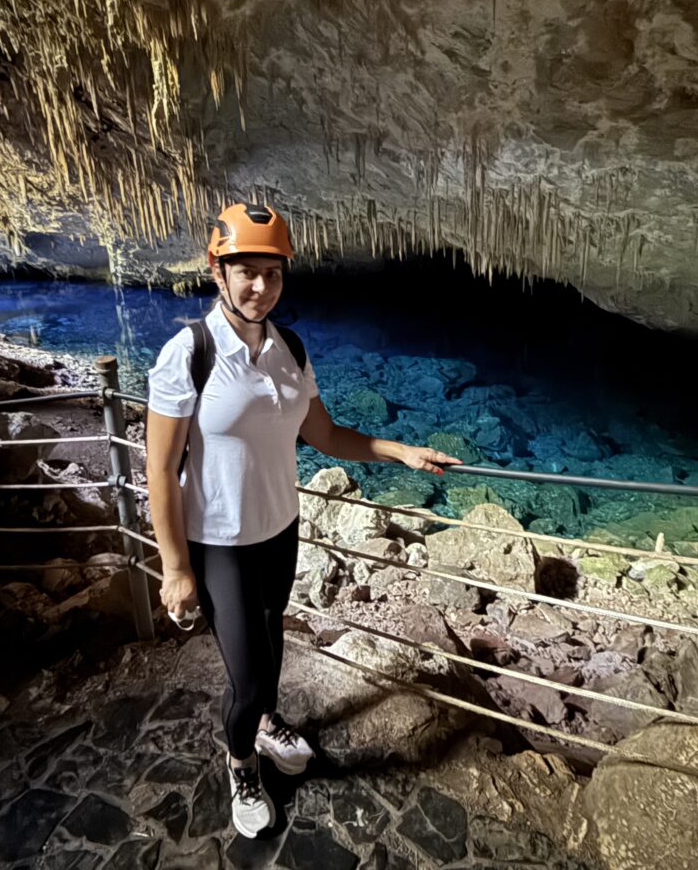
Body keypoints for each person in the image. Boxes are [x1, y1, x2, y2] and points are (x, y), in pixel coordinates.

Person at [146, 202, 462, 839]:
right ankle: (241, 762)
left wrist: (401, 451)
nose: (261, 287)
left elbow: (325, 435)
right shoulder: (189, 353)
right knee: (248, 678)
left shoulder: (289, 347)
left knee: (272, 645)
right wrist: (175, 568)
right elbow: (158, 469)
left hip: (280, 530)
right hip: (219, 542)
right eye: (247, 272)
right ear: (217, 270)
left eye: (273, 273)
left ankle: (266, 724)